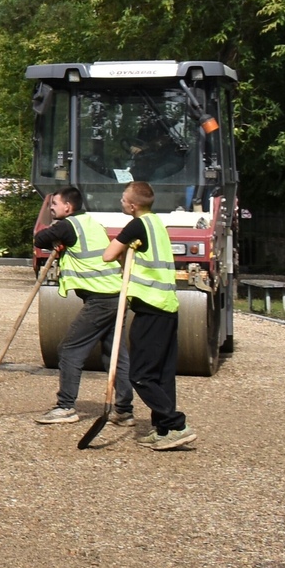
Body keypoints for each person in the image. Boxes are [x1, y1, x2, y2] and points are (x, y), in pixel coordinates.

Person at [29, 184, 137, 429]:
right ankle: (124, 410)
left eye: (54, 205)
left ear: (68, 207)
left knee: (69, 349)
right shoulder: (91, 223)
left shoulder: (68, 226)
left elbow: (39, 238)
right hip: (116, 295)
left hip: (101, 299)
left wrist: (57, 237)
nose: (51, 209)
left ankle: (65, 406)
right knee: (114, 353)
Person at [107, 179, 194, 449]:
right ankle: (164, 429)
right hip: (168, 306)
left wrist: (122, 247)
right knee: (162, 374)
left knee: (141, 374)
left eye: (123, 198)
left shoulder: (136, 225)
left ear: (132, 206)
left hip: (150, 307)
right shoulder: (157, 224)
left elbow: (108, 255)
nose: (121, 202)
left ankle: (176, 423)